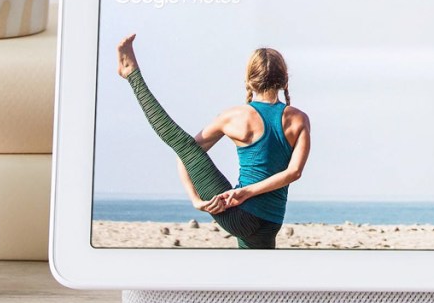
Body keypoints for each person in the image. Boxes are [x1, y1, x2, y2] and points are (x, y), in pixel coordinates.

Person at [116, 35, 311, 249]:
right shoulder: (299, 118)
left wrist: (198, 200)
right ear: (284, 79)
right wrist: (206, 199)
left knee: (183, 145)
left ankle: (132, 74)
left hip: (239, 214)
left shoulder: (233, 116)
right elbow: (294, 173)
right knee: (258, 276)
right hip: (273, 221)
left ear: (249, 80)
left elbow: (187, 153)